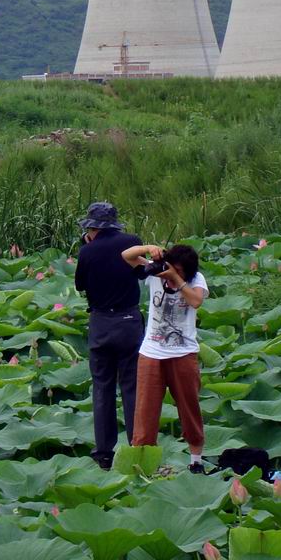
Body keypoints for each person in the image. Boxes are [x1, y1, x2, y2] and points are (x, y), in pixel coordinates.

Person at [121, 243, 208, 473]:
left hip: (183, 353)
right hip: (151, 353)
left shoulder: (196, 280)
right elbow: (126, 255)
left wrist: (177, 280)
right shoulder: (154, 272)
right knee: (145, 411)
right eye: (172, 268)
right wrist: (150, 248)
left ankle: (196, 461)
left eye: (180, 271)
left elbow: (196, 301)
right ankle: (143, 466)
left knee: (189, 407)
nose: (172, 274)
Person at [74, 202, 147, 470]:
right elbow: (141, 272)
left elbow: (80, 285)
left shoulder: (87, 251)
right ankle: (136, 447)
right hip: (128, 322)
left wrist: (88, 246)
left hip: (101, 323)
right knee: (131, 386)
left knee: (102, 387)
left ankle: (104, 453)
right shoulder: (131, 242)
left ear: (91, 227)